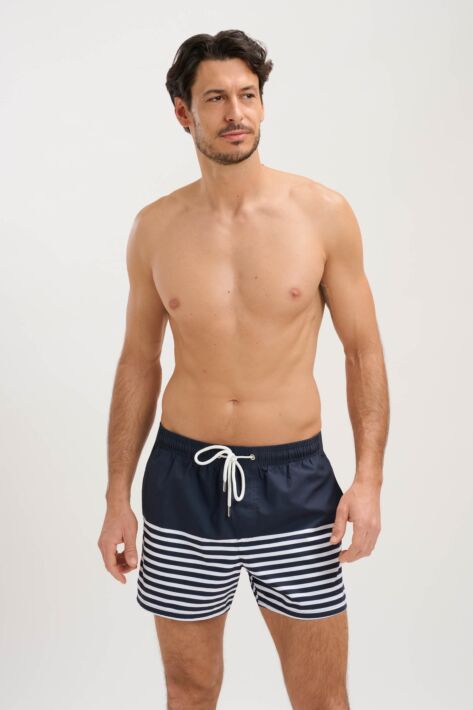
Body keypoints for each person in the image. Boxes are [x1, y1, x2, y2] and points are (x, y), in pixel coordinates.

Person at [98, 29, 389, 710]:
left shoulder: (322, 215)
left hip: (295, 484)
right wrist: (116, 495)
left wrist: (369, 480)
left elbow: (363, 351)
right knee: (188, 690)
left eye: (248, 95)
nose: (236, 113)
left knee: (320, 696)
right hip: (181, 482)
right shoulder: (155, 228)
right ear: (183, 112)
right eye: (216, 99)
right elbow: (138, 361)